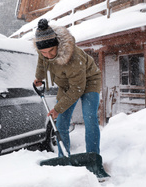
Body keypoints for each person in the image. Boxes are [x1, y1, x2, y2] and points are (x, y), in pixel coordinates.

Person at [33, 18, 102, 157]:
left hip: (89, 81)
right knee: (61, 123)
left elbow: (77, 88)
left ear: (57, 44)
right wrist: (39, 78)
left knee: (90, 119)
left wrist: (58, 108)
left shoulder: (73, 57)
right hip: (66, 84)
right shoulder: (45, 52)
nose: (48, 55)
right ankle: (63, 157)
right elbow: (42, 63)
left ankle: (93, 158)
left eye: (51, 51)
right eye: (44, 52)